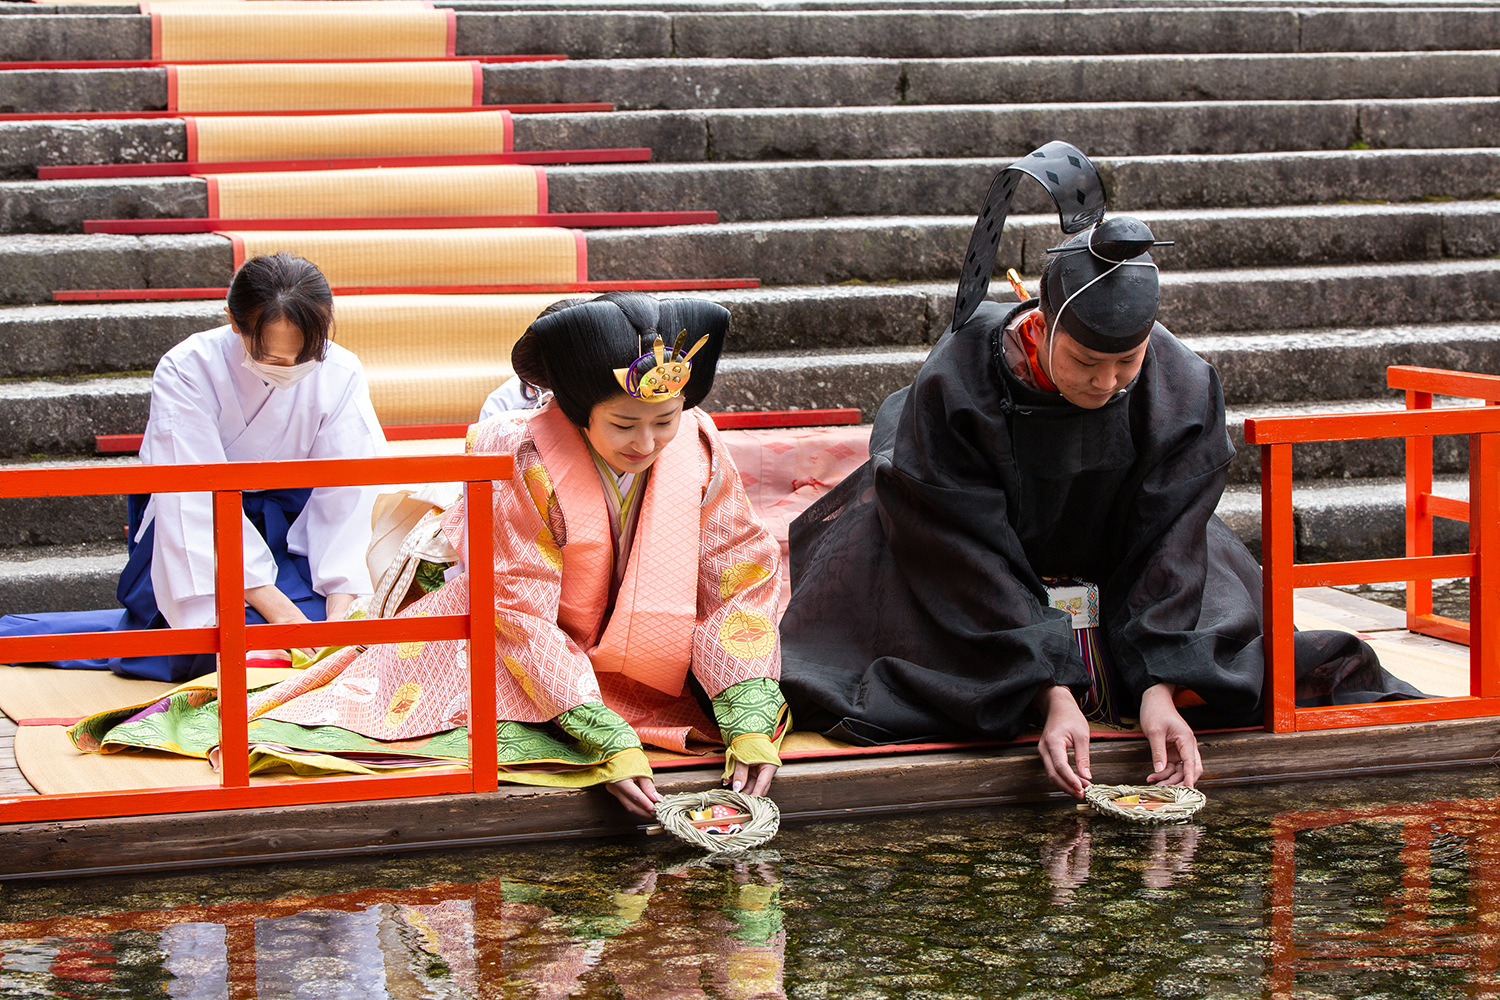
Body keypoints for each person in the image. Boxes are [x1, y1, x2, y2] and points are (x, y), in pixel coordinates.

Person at [777, 142, 1423, 798]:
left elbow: (1168, 542)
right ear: (1040, 323)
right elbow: (963, 552)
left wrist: (1162, 688)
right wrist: (1047, 691)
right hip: (967, 569)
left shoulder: (1179, 384)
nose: (1107, 383)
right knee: (879, 667)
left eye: (1127, 363)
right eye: (1086, 362)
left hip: (1118, 554)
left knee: (1232, 642)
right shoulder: (959, 383)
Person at [142, 293, 788, 817]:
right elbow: (518, 601)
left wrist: (749, 711)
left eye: (664, 419)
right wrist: (600, 732)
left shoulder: (698, 444)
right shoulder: (521, 453)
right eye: (624, 424)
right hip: (519, 639)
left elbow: (738, 571)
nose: (647, 441)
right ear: (574, 408)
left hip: (649, 650)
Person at [0, 253, 387, 682]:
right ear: (234, 323)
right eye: (274, 359)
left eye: (305, 356)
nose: (291, 370)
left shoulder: (341, 369)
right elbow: (192, 495)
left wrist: (344, 612)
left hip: (294, 533)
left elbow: (350, 492)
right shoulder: (188, 367)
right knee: (226, 642)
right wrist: (283, 616)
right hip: (193, 532)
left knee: (353, 631)